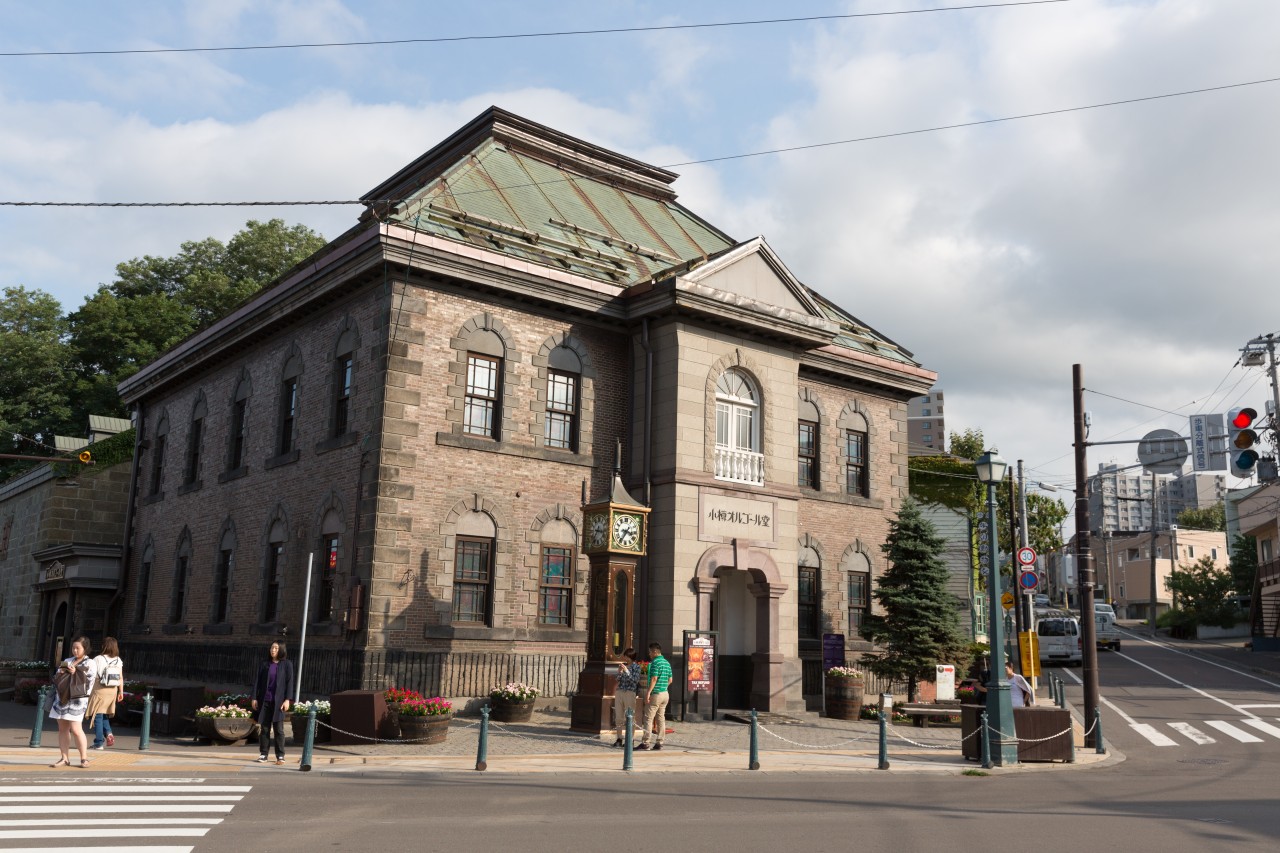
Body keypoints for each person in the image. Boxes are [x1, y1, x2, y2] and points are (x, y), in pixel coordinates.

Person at [48, 635, 95, 768]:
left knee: (76, 729)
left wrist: (76, 673)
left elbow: (90, 682)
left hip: (77, 700)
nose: (75, 650)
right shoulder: (68, 660)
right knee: (62, 729)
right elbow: (57, 677)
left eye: (78, 648)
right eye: (73, 648)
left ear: (85, 648)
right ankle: (64, 758)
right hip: (62, 698)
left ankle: (84, 758)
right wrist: (62, 672)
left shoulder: (90, 663)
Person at [251, 641, 295, 766]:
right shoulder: (264, 664)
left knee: (279, 730)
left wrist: (287, 699)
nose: (273, 650)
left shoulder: (287, 664)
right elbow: (257, 681)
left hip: (279, 702)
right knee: (264, 728)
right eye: (271, 648)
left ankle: (280, 755)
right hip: (265, 700)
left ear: (281, 649)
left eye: (275, 648)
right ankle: (263, 754)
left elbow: (289, 683)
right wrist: (254, 698)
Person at [84, 636, 124, 750]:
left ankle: (99, 742)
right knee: (103, 713)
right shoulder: (118, 660)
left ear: (104, 646)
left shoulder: (98, 659)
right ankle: (109, 733)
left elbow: (91, 675)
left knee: (97, 715)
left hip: (100, 689)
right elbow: (121, 677)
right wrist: (121, 692)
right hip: (113, 690)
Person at [635, 642, 671, 752]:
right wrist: (663, 687)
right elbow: (670, 680)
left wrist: (648, 692)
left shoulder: (655, 663)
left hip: (656, 694)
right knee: (661, 718)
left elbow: (654, 678)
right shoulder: (667, 663)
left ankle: (646, 743)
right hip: (665, 694)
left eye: (650, 652)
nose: (649, 654)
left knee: (648, 718)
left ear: (655, 651)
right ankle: (659, 742)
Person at [611, 648, 641, 748]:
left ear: (631, 657)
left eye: (627, 656)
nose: (625, 658)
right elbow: (618, 679)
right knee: (619, 716)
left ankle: (630, 739)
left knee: (630, 716)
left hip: (630, 692)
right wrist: (619, 672)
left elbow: (635, 680)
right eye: (625, 656)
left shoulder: (636, 667)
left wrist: (627, 671)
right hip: (620, 691)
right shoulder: (624, 665)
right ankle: (619, 738)